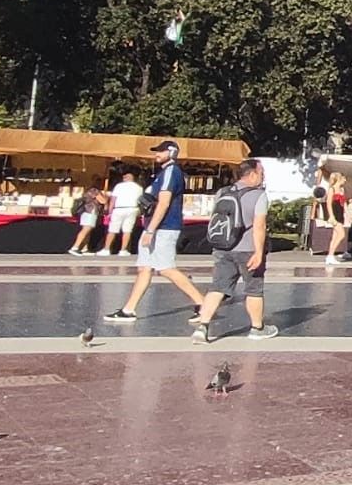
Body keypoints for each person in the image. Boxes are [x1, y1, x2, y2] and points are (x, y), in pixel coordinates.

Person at [104, 140, 207, 322]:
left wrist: (151, 230)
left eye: (160, 151)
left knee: (166, 268)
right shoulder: (163, 173)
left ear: (172, 152)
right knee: (145, 268)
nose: (156, 154)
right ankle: (129, 310)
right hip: (154, 227)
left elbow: (164, 202)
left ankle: (203, 304)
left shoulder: (171, 172)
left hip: (164, 228)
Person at [191, 157, 276, 342]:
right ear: (252, 174)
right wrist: (259, 252)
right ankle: (257, 328)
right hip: (248, 250)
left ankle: (202, 327)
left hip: (223, 247)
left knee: (217, 288)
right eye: (261, 173)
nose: (263, 177)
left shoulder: (222, 192)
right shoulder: (259, 195)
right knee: (254, 289)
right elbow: (259, 226)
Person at [104, 170, 143, 256]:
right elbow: (140, 201)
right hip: (132, 209)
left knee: (112, 230)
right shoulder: (139, 188)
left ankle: (106, 249)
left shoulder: (119, 186)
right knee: (127, 230)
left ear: (125, 178)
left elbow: (113, 199)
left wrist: (110, 210)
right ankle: (123, 250)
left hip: (119, 209)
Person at [69, 179, 108, 255]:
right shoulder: (94, 191)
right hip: (90, 212)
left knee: (88, 231)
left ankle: (85, 248)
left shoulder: (88, 191)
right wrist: (106, 197)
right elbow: (103, 201)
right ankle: (75, 247)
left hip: (86, 212)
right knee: (85, 230)